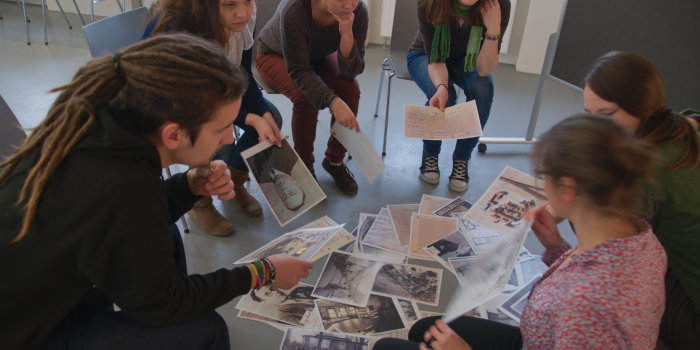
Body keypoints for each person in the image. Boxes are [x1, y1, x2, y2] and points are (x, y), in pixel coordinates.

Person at [0, 34, 313, 350]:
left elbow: (129, 217)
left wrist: (188, 185)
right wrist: (263, 271)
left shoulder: (112, 122)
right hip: (29, 332)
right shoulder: (123, 183)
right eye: (221, 129)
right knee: (206, 330)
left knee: (170, 236)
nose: (228, 141)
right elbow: (162, 303)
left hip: (50, 285)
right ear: (174, 135)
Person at [374, 114, 667, 349]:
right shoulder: (643, 240)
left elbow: (585, 304)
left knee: (386, 348)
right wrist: (557, 248)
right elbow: (584, 274)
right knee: (425, 329)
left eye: (544, 177)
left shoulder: (586, 310)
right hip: (537, 338)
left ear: (566, 190)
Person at [530, 51, 700, 349]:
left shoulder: (648, 176)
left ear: (643, 108)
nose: (595, 127)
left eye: (606, 116)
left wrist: (561, 210)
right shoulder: (681, 123)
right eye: (588, 114)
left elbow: (598, 223)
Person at [143, 0, 284, 236]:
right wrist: (250, 119)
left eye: (248, 1)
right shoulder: (182, 33)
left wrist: (263, 114)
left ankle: (233, 180)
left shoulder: (242, 18)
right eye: (229, 4)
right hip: (181, 100)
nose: (242, 12)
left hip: (217, 95)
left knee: (272, 118)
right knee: (221, 146)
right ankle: (200, 201)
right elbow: (197, 102)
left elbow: (243, 74)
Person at [255, 0, 369, 195]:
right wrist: (333, 101)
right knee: (305, 98)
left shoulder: (359, 10)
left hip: (316, 55)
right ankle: (304, 170)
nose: (349, 4)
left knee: (350, 89)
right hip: (275, 55)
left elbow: (352, 71)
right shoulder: (295, 9)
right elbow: (300, 71)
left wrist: (347, 33)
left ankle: (334, 160)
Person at [408, 0, 510, 192]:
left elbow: (484, 68)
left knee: (484, 90)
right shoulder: (430, 2)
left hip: (466, 57)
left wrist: (493, 29)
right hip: (425, 54)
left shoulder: (498, 4)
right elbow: (435, 60)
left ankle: (462, 157)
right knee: (447, 96)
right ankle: (430, 153)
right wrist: (442, 87)